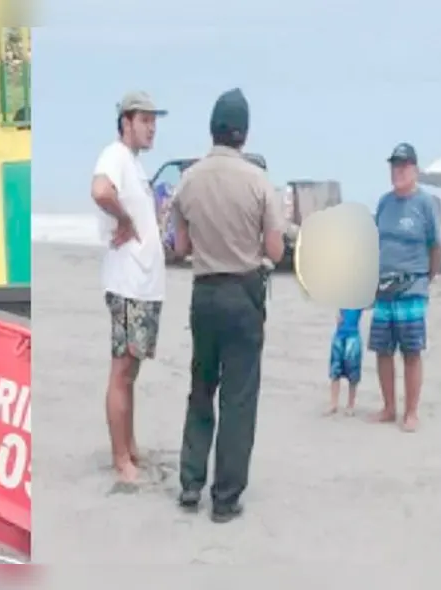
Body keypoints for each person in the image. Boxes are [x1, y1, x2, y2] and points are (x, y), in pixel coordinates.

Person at [170, 88, 285, 522]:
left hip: (204, 294)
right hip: (243, 292)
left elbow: (179, 247)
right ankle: (224, 497)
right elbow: (273, 248)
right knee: (238, 397)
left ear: (212, 129)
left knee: (202, 387)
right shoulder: (258, 181)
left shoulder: (189, 180)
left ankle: (190, 483)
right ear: (244, 133)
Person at [90, 91, 168, 487]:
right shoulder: (115, 155)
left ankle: (130, 445)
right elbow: (101, 191)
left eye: (154, 121)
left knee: (132, 369)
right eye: (145, 120)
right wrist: (122, 220)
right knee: (121, 370)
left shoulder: (134, 164)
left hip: (144, 285)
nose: (152, 127)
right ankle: (121, 458)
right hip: (127, 283)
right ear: (126, 122)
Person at [369, 143, 441, 433]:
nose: (397, 172)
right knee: (382, 350)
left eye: (403, 166)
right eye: (394, 166)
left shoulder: (425, 203)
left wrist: (425, 279)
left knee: (411, 351)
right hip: (383, 288)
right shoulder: (384, 203)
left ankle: (411, 412)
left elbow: (436, 247)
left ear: (414, 170)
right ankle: (389, 408)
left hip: (412, 287)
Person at [326, 308, 364, 415]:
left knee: (353, 373)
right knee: (335, 370)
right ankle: (333, 403)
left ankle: (350, 404)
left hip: (353, 336)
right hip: (339, 335)